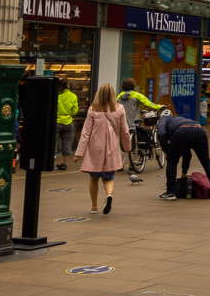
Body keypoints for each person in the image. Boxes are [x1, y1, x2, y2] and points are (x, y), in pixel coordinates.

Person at [74, 83, 130, 215]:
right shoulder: (119, 108)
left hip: (95, 147)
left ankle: (94, 207)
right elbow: (125, 131)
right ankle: (109, 195)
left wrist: (79, 153)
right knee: (109, 177)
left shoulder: (93, 109)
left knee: (94, 178)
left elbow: (85, 133)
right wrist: (127, 147)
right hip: (112, 147)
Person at [157, 113, 210, 200]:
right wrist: (184, 173)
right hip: (200, 131)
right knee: (206, 161)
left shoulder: (163, 119)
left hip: (182, 132)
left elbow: (161, 134)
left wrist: (167, 151)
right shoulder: (180, 119)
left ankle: (170, 193)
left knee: (172, 161)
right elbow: (187, 154)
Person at [117, 78, 163, 154]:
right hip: (134, 122)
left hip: (122, 123)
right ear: (133, 86)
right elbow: (148, 103)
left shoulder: (119, 96)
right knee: (146, 132)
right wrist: (160, 107)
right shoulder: (136, 95)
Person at [55, 78, 79, 171]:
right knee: (67, 143)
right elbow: (75, 111)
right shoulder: (73, 96)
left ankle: (53, 162)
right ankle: (64, 162)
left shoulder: (56, 96)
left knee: (54, 143)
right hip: (68, 122)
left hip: (56, 121)